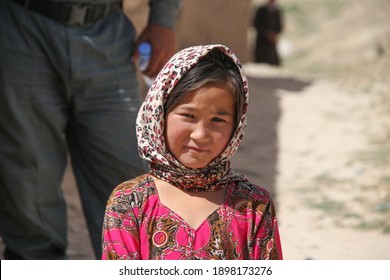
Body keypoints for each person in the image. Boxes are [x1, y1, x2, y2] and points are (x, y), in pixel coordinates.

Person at [0, 0, 181, 259]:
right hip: (21, 28)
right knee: (28, 184)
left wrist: (163, 19)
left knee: (130, 183)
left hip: (107, 32)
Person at [101, 44, 283, 260]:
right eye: (189, 116)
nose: (200, 135)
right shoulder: (129, 202)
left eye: (218, 120)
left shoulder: (254, 206)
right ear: (159, 114)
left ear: (236, 126)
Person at [253, 0, 284, 66]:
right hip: (261, 41)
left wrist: (273, 34)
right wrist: (266, 34)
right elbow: (256, 24)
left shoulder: (277, 12)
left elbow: (279, 27)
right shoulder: (261, 10)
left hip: (271, 43)